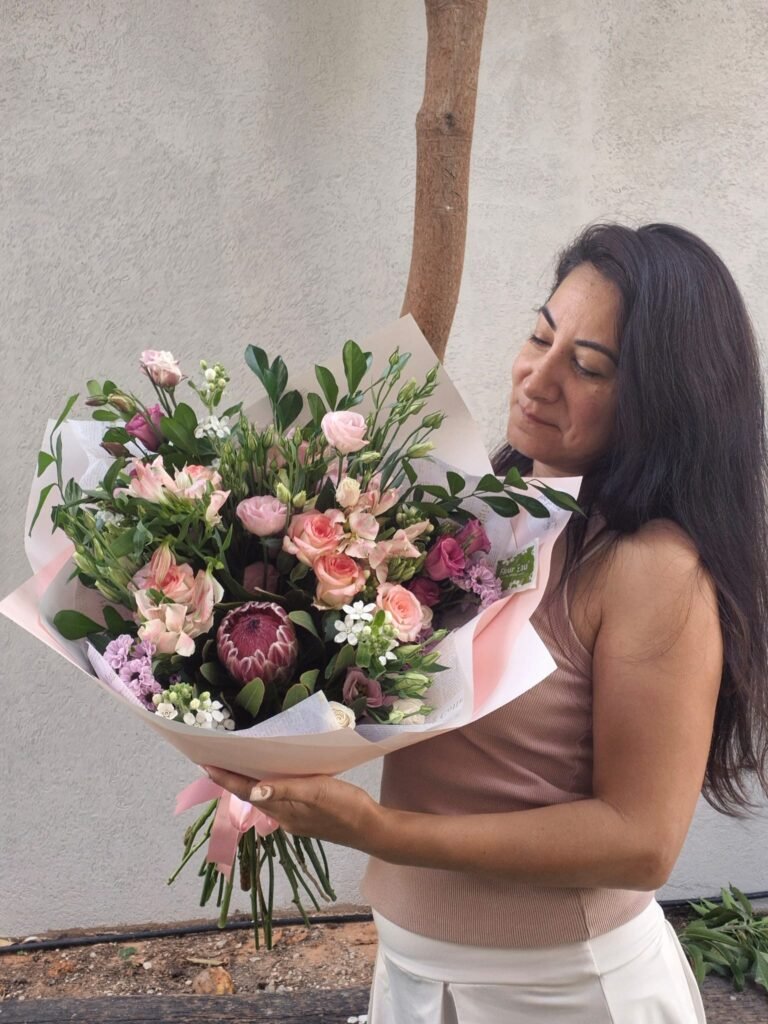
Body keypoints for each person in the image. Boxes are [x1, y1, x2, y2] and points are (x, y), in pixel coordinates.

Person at [206, 223, 768, 1022]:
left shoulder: (651, 566)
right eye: (541, 336)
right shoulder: (479, 519)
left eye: (587, 366)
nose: (538, 377)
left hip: (561, 995)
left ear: (665, 399)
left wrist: (378, 829)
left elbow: (642, 841)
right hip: (412, 975)